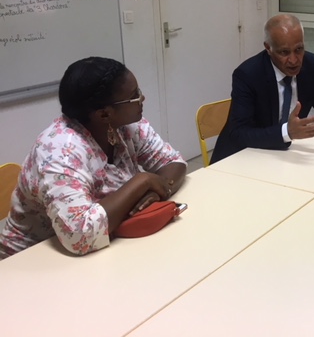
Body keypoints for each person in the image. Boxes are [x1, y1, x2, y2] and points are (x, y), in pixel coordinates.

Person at [0, 57, 186, 259]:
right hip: (34, 258)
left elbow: (173, 162)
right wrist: (144, 181)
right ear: (104, 114)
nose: (142, 99)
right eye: (134, 96)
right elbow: (80, 236)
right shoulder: (60, 150)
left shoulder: (127, 125)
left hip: (107, 242)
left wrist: (159, 191)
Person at [210, 14, 314, 163]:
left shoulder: (311, 63)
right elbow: (239, 133)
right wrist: (286, 133)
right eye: (284, 52)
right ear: (268, 48)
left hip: (285, 157)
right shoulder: (248, 75)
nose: (294, 60)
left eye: (299, 49)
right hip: (242, 158)